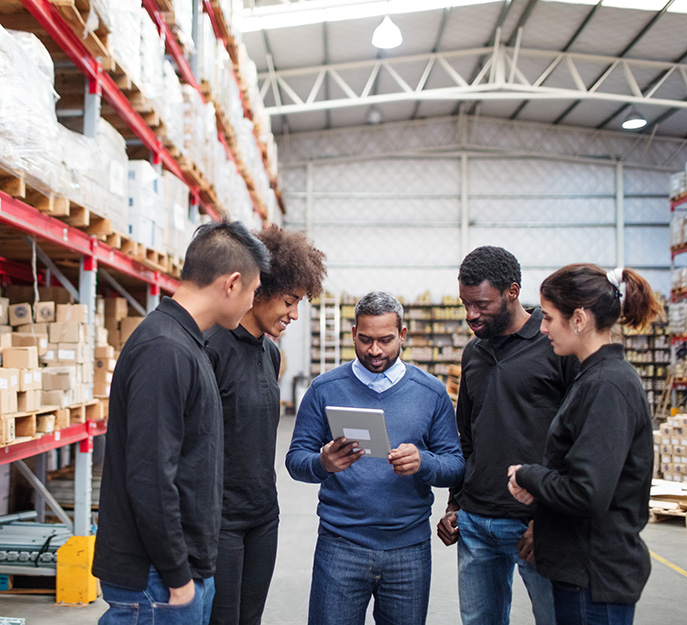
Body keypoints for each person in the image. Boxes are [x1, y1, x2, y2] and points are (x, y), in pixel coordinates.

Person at [93, 221, 270, 625]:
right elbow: (150, 475)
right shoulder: (164, 350)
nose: (251, 303)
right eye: (254, 291)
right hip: (157, 581)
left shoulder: (188, 343)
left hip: (178, 574)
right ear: (232, 283)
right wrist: (177, 576)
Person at [286, 291, 465, 625]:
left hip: (408, 549)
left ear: (403, 335)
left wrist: (423, 463)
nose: (375, 350)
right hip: (340, 545)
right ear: (353, 334)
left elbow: (455, 466)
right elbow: (296, 460)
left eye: (385, 340)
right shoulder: (325, 389)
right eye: (365, 339)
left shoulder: (431, 393)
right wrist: (322, 463)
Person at [507, 264, 662, 625]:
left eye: (548, 318)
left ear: (579, 318)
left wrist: (529, 476)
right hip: (583, 571)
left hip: (594, 576)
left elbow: (588, 491)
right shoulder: (594, 376)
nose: (542, 328)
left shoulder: (606, 386)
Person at [436, 246, 578, 625]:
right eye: (465, 304)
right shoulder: (473, 353)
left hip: (535, 525)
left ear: (512, 292)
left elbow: (573, 443)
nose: (471, 314)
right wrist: (455, 505)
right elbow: (466, 435)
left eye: (481, 304)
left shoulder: (555, 347)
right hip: (476, 523)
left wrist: (547, 520)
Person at [205, 225, 327, 625]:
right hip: (220, 518)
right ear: (259, 289)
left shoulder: (271, 356)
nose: (293, 314)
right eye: (289, 301)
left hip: (263, 514)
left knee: (251, 618)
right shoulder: (212, 348)